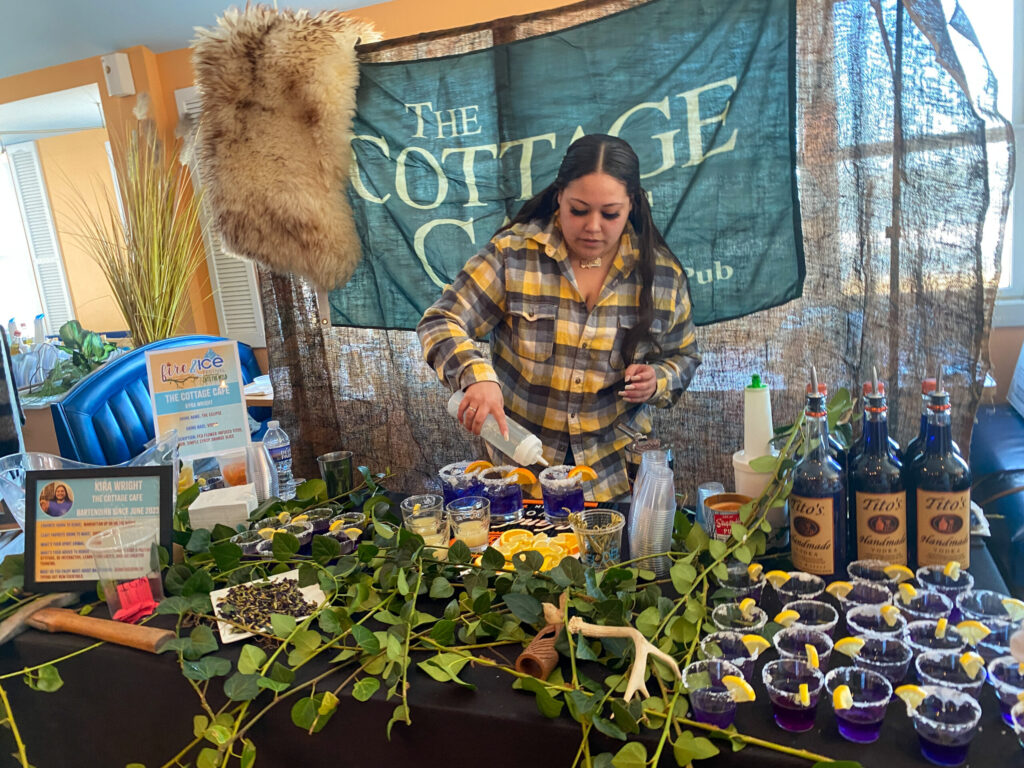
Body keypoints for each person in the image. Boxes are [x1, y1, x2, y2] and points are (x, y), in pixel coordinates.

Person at [418, 134, 700, 501]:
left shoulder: (661, 275)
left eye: (610, 214)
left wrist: (658, 379)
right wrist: (476, 377)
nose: (593, 226)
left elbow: (684, 356)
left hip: (614, 479)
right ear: (559, 196)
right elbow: (441, 320)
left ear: (632, 204)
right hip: (519, 477)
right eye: (579, 210)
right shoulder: (514, 255)